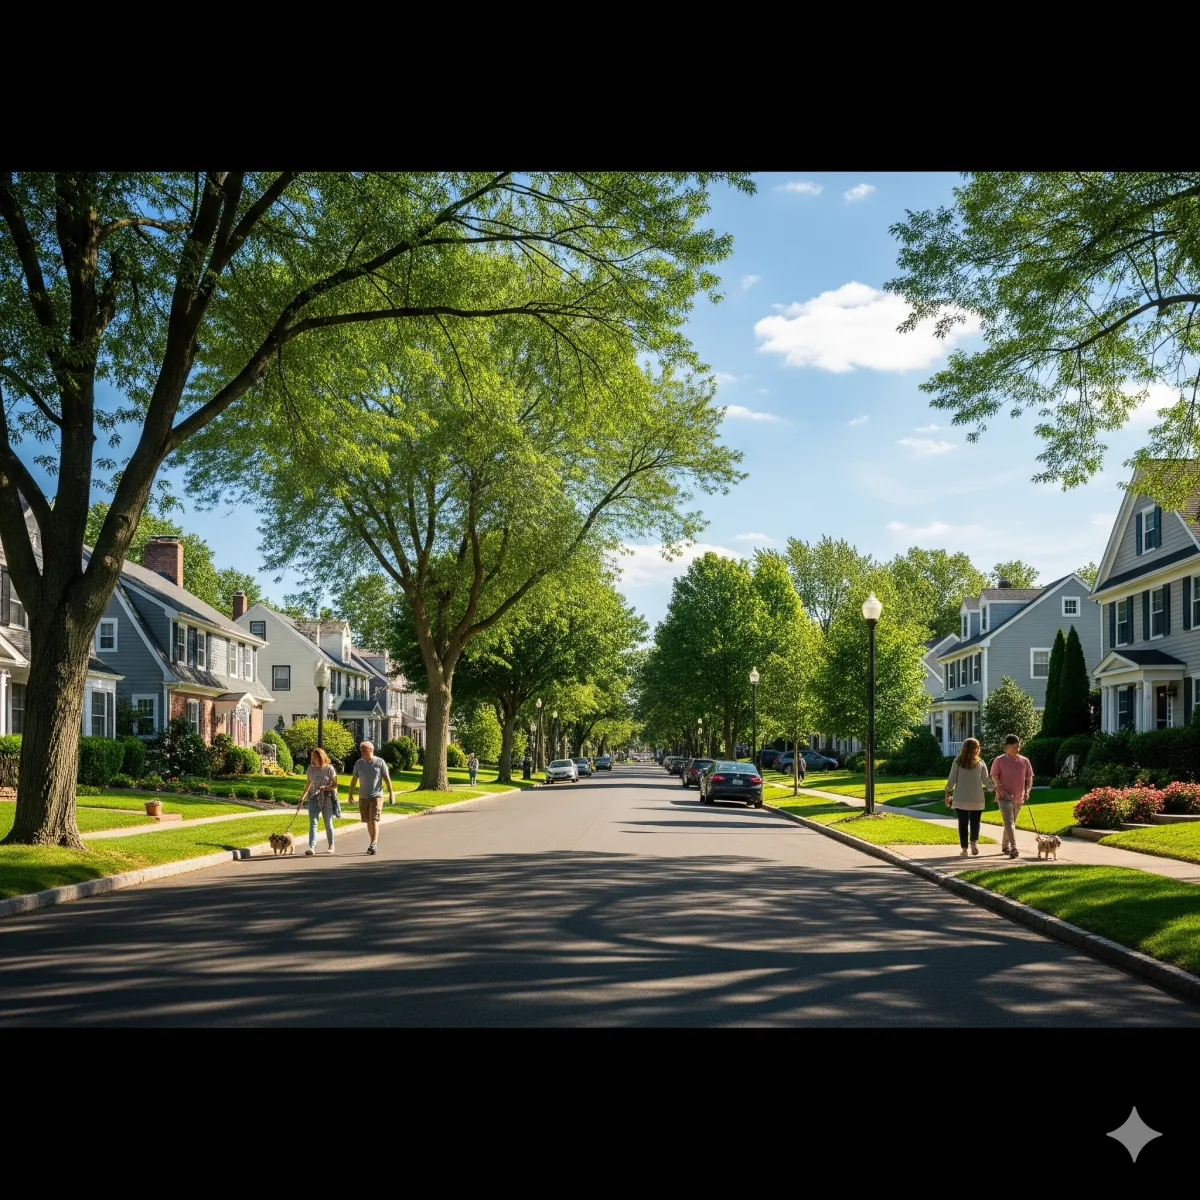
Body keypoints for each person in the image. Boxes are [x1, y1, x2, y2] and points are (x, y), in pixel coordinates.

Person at [944, 736, 994, 858]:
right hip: (977, 797)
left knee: (963, 823)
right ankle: (973, 842)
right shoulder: (980, 763)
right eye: (978, 747)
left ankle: (964, 849)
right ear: (974, 748)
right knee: (975, 821)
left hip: (960, 797)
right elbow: (986, 780)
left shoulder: (957, 761)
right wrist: (994, 789)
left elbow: (952, 779)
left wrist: (948, 792)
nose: (979, 748)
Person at [348, 740, 395, 856]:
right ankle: (372, 842)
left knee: (374, 820)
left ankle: (374, 843)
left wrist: (391, 794)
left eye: (364, 751)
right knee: (368, 821)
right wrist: (350, 794)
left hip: (376, 796)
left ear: (370, 750)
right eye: (361, 751)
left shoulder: (380, 762)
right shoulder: (359, 763)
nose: (362, 753)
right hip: (363, 797)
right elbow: (354, 780)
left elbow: (387, 779)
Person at [991, 733, 1034, 859]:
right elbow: (994, 776)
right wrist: (999, 787)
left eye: (1018, 746)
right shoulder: (999, 760)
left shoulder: (1024, 761)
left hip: (1019, 797)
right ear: (1007, 747)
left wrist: (1027, 791)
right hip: (1004, 796)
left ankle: (1005, 846)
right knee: (1009, 822)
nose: (1017, 748)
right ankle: (1014, 847)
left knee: (1011, 823)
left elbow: (1029, 778)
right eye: (1015, 747)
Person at [301, 746, 338, 857]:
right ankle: (312, 847)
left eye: (315, 756)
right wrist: (302, 796)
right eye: (312, 756)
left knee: (328, 823)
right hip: (313, 798)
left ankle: (331, 845)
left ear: (321, 756)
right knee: (313, 823)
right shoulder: (310, 769)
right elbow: (308, 783)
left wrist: (327, 788)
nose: (313, 758)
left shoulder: (329, 768)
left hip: (327, 799)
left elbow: (335, 784)